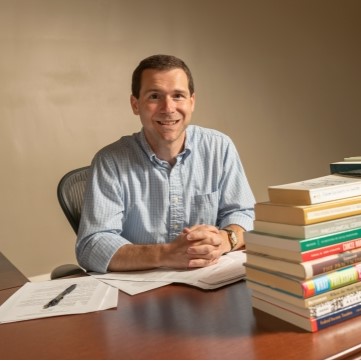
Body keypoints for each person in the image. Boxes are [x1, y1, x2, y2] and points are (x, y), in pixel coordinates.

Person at [76, 54, 255, 273]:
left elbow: (245, 213)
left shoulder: (219, 147)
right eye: (154, 96)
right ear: (135, 104)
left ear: (192, 102)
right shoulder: (110, 161)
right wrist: (167, 254)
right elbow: (92, 245)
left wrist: (224, 241)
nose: (168, 108)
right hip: (139, 290)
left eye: (178, 96)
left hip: (207, 278)